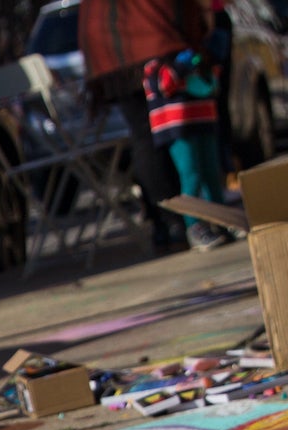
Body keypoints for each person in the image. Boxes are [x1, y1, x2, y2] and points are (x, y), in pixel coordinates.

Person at [80, 0, 213, 251]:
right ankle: (177, 218)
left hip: (110, 56)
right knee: (165, 135)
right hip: (153, 50)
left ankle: (165, 222)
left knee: (145, 136)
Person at [143, 49, 235, 249]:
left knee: (212, 173)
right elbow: (163, 85)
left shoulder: (198, 50)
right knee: (191, 175)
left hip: (203, 117)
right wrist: (182, 63)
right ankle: (194, 227)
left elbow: (214, 80)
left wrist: (204, 60)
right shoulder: (155, 63)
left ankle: (222, 221)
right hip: (177, 124)